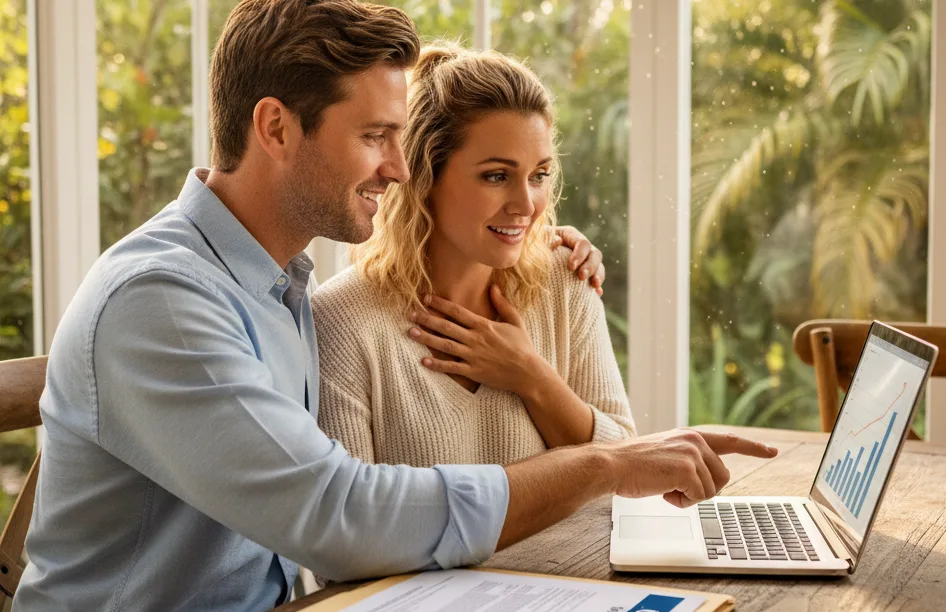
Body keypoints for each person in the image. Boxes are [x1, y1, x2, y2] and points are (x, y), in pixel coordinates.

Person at [13, 2, 777, 610]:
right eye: (377, 135)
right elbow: (340, 516)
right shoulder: (164, 301)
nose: (401, 167)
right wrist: (604, 462)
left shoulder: (277, 287)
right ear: (276, 127)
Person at [313, 43, 635, 470]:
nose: (527, 204)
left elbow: (629, 464)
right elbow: (355, 523)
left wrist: (531, 376)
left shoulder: (566, 278)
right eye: (497, 176)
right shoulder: (343, 321)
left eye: (538, 175)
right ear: (424, 174)